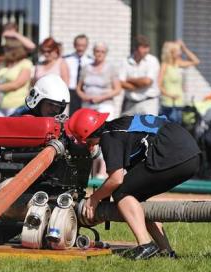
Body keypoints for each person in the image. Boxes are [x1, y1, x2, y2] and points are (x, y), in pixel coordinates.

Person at [65, 109, 201, 259]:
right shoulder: (118, 128)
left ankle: (145, 245)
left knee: (121, 192)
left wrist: (94, 199)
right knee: (135, 197)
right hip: (190, 155)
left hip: (173, 153)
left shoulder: (109, 136)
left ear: (88, 134)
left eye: (84, 141)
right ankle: (166, 252)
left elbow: (116, 179)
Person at [0, 74, 71, 152]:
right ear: (38, 100)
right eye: (50, 105)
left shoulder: (62, 126)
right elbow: (2, 135)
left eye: (58, 107)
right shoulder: (20, 117)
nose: (54, 110)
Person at [76, 41, 121, 178]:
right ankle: (88, 171)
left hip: (104, 105)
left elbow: (117, 89)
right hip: (88, 106)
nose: (99, 54)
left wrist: (101, 97)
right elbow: (79, 88)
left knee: (104, 137)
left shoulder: (111, 68)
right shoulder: (86, 67)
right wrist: (85, 97)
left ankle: (102, 171)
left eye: (102, 51)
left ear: (105, 53)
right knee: (87, 138)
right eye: (97, 51)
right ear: (93, 52)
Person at [158, 40, 200, 124]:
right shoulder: (165, 65)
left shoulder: (178, 63)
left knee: (177, 129)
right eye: (177, 51)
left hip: (179, 103)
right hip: (168, 103)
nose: (179, 53)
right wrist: (169, 95)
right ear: (171, 52)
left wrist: (184, 48)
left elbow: (196, 61)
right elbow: (158, 84)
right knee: (168, 129)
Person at [0, 39, 33, 116]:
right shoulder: (3, 64)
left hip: (17, 106)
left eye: (7, 50)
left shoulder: (25, 63)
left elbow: (17, 84)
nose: (5, 52)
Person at [119, 35, 161, 116]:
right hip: (130, 104)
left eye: (147, 47)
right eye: (144, 47)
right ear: (135, 48)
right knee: (125, 128)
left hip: (148, 103)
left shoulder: (152, 61)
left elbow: (147, 81)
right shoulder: (125, 61)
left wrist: (130, 79)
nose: (147, 50)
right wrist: (138, 86)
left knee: (147, 128)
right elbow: (120, 83)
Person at [64, 34, 93, 115]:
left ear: (87, 46)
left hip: (85, 93)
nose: (80, 48)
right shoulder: (66, 59)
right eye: (78, 45)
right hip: (70, 92)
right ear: (74, 45)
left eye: (83, 45)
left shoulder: (91, 61)